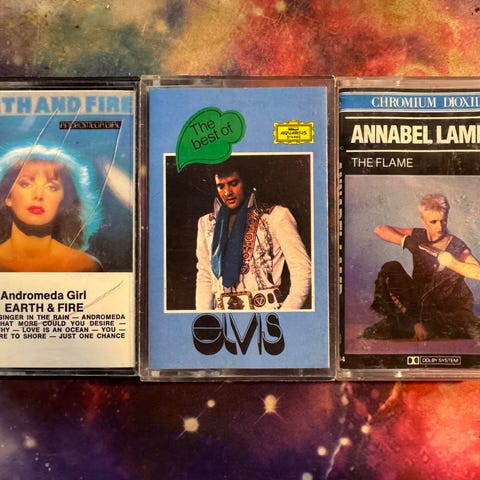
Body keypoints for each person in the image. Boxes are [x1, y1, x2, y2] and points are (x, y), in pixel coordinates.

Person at [195, 158, 311, 311]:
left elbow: (302, 271)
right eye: (221, 186)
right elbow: (204, 276)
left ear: (246, 181)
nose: (227, 192)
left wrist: (285, 316)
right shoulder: (206, 223)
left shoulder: (275, 216)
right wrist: (204, 317)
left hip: (266, 314)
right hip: (221, 316)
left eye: (234, 183)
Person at [364, 193, 480, 340]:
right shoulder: (418, 235)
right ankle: (416, 324)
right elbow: (380, 229)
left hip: (445, 308)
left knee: (463, 327)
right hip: (418, 304)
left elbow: (478, 272)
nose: (439, 227)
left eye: (443, 221)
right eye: (433, 222)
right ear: (423, 220)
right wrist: (407, 242)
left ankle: (419, 326)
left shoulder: (456, 245)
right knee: (391, 268)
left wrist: (452, 262)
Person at [0, 144, 102, 272]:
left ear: (64, 201)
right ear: (8, 196)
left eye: (51, 187)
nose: (38, 195)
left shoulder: (85, 266)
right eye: (26, 184)